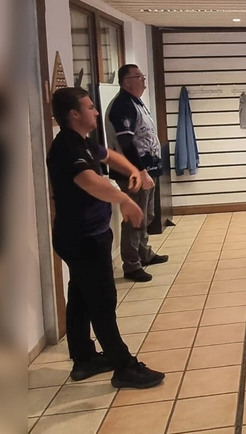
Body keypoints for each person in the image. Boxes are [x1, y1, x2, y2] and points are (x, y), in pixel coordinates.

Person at [47, 87, 165, 389]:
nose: (96, 111)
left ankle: (84, 358)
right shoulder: (66, 147)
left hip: (87, 235)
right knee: (102, 301)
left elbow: (108, 155)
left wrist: (133, 169)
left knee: (80, 297)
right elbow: (89, 181)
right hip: (82, 237)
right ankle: (124, 367)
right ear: (74, 114)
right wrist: (124, 200)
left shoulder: (82, 141)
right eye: (90, 107)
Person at [107, 64, 168, 282]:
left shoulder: (136, 102)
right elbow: (126, 142)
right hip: (133, 173)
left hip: (147, 170)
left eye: (143, 76)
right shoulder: (122, 105)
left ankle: (144, 253)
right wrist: (140, 171)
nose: (143, 80)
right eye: (138, 76)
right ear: (126, 82)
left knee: (146, 215)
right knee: (135, 217)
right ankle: (132, 264)